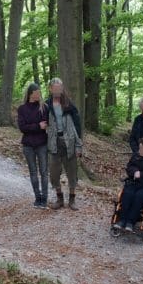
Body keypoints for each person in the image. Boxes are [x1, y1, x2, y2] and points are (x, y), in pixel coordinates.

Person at [45, 78, 83, 211]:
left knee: (72, 172)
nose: (57, 91)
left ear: (62, 89)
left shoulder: (69, 105)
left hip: (70, 143)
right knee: (54, 173)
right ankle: (59, 198)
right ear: (50, 89)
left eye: (59, 88)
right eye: (55, 88)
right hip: (54, 143)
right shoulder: (46, 105)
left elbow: (78, 127)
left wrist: (79, 146)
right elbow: (43, 123)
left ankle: (72, 200)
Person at [17, 83, 49, 209]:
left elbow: (45, 124)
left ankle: (44, 199)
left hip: (42, 144)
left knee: (44, 172)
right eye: (36, 93)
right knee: (33, 172)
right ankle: (37, 198)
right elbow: (22, 127)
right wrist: (37, 126)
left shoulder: (44, 107)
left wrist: (32, 126)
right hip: (28, 145)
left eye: (39, 93)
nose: (38, 95)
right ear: (30, 94)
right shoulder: (22, 109)